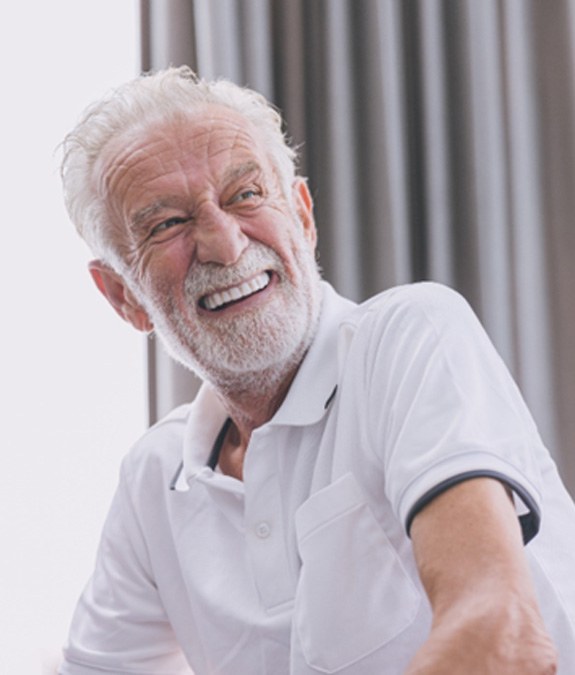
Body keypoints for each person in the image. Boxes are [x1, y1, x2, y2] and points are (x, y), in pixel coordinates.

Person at [57, 66, 574, 674]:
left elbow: (501, 637)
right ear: (123, 296)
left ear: (302, 216)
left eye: (245, 195)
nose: (224, 244)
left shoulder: (408, 337)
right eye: (167, 224)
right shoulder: (155, 479)